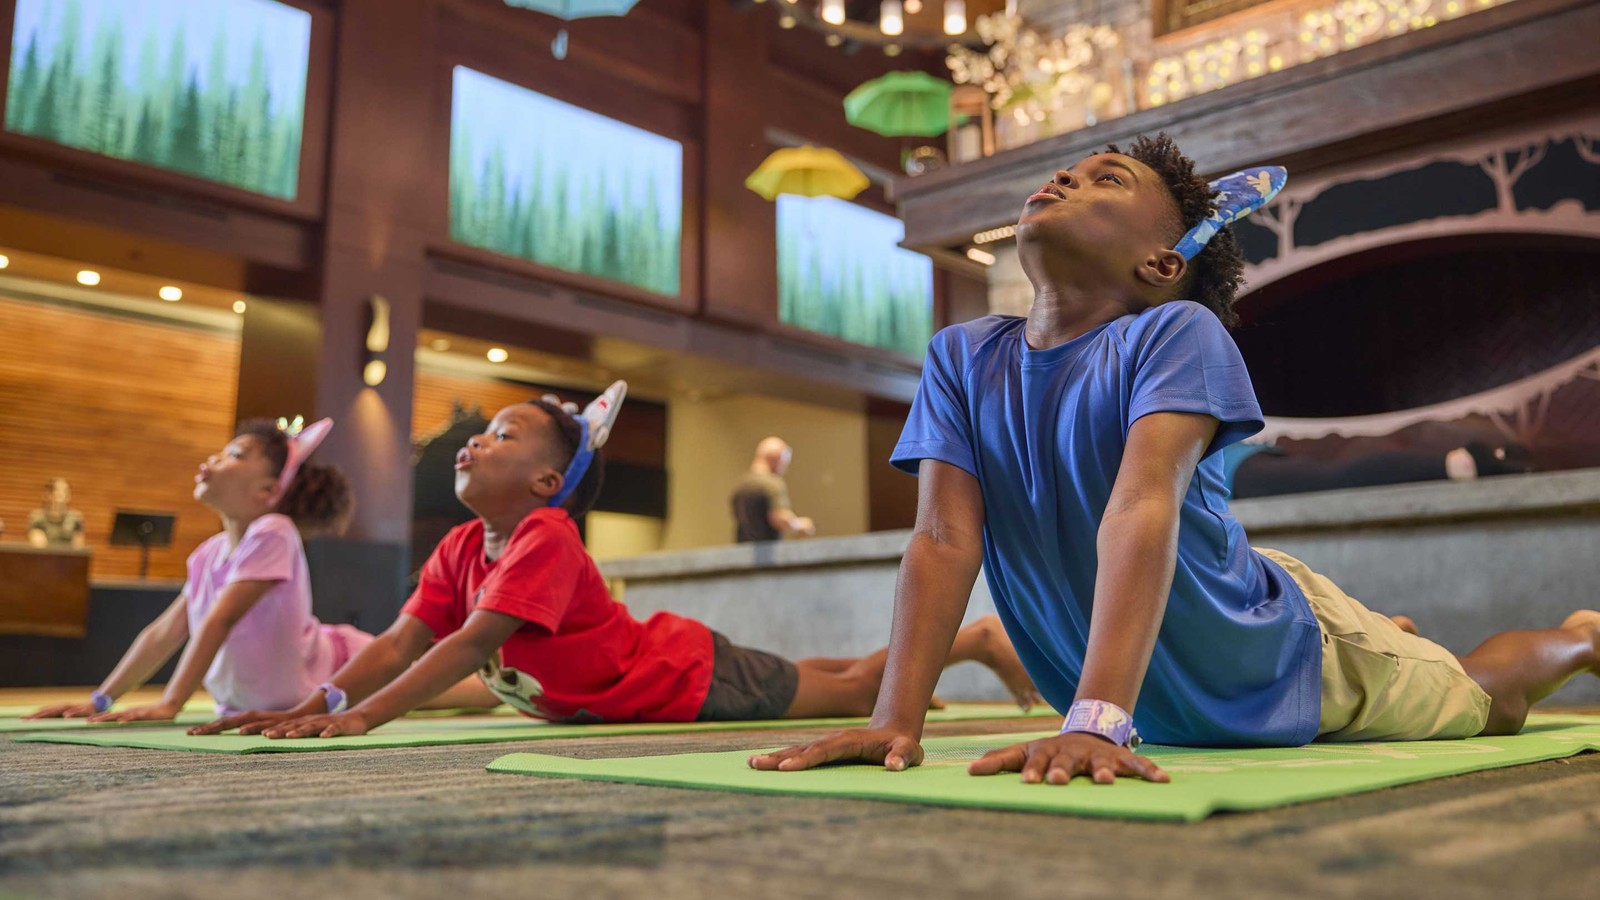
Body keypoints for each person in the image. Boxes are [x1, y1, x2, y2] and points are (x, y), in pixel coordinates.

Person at [749, 134, 1600, 785]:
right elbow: (942, 539)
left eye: (1105, 179)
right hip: (1162, 690)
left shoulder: (1173, 332)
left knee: (1490, 699)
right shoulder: (960, 357)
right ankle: (1390, 634)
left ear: (1163, 263)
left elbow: (1141, 505)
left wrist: (1096, 719)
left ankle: (1575, 638)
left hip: (1272, 657)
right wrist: (897, 718)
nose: (1067, 178)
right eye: (1069, 172)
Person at [191, 384, 1039, 740]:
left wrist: (358, 720)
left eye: (504, 436)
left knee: (853, 693)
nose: (476, 441)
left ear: (547, 482)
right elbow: (397, 643)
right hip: (671, 667)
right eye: (481, 432)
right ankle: (974, 642)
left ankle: (973, 639)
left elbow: (460, 646)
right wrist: (311, 704)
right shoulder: (459, 547)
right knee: (821, 671)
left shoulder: (543, 539)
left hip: (686, 678)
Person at [27, 417, 497, 722]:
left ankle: (506, 683)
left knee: (447, 692)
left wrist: (171, 702)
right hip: (275, 689)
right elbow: (166, 631)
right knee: (432, 692)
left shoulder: (273, 530)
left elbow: (221, 618)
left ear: (269, 490)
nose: (214, 459)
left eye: (234, 454)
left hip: (334, 665)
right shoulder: (210, 553)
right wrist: (101, 698)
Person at [731, 436, 814, 542]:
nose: (785, 468)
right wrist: (799, 525)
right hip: (767, 553)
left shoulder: (741, 485)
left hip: (743, 553)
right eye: (785, 462)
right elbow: (779, 518)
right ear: (777, 458)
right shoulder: (772, 484)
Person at [27, 478, 86, 549]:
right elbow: (38, 545)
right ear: (48, 494)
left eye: (65, 491)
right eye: (58, 490)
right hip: (46, 556)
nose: (62, 494)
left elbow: (78, 548)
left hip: (68, 557)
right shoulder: (38, 517)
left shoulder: (75, 518)